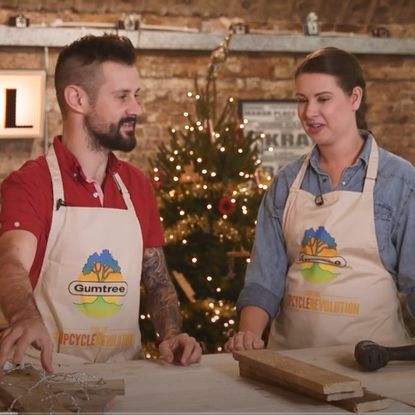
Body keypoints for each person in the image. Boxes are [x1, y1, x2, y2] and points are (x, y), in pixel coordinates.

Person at [0, 34, 202, 371]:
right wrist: (23, 316)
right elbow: (10, 262)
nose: (136, 108)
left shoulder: (136, 185)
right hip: (45, 377)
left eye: (136, 96)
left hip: (127, 376)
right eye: (122, 96)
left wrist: (171, 334)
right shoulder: (31, 183)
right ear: (77, 98)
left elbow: (156, 278)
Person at [225, 47, 415, 352]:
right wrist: (249, 335)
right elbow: (264, 280)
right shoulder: (286, 183)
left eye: (323, 99)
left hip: (376, 365)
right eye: (302, 100)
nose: (309, 112)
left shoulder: (399, 181)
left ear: (355, 98)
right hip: (292, 362)